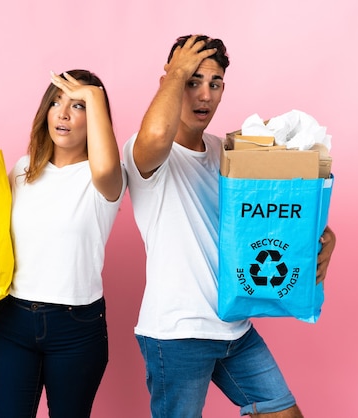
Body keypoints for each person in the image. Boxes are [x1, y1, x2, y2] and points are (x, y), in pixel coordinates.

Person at [123, 35, 336, 417]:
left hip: (234, 328)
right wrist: (176, 73)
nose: (204, 95)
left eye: (215, 83)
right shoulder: (146, 150)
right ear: (168, 82)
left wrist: (323, 239)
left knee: (284, 413)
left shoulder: (229, 154)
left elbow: (272, 223)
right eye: (192, 81)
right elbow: (157, 134)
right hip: (179, 332)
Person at [0, 69, 126, 418]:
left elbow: (106, 165)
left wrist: (93, 94)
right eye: (55, 102)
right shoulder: (22, 170)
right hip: (13, 322)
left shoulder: (104, 177)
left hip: (76, 329)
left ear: (95, 115)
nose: (63, 114)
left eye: (77, 105)